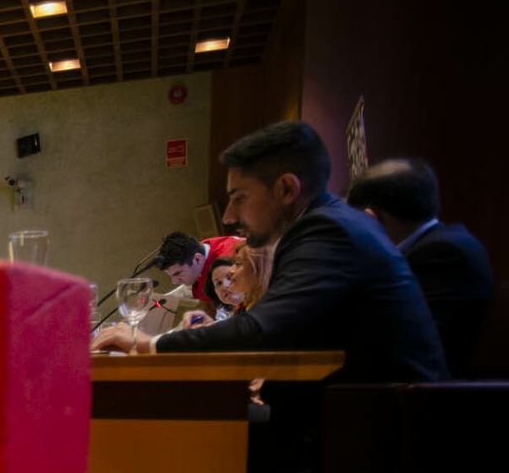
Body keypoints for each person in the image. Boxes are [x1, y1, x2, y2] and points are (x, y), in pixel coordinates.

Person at [91, 122, 447, 382]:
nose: (229, 217)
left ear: (286, 189)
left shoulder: (327, 230)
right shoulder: (327, 224)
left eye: (239, 198)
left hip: (386, 428)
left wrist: (147, 345)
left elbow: (261, 330)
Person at [347, 158, 496, 377]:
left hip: (432, 401)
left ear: (370, 218)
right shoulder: (443, 243)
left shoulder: (442, 253)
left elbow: (397, 343)